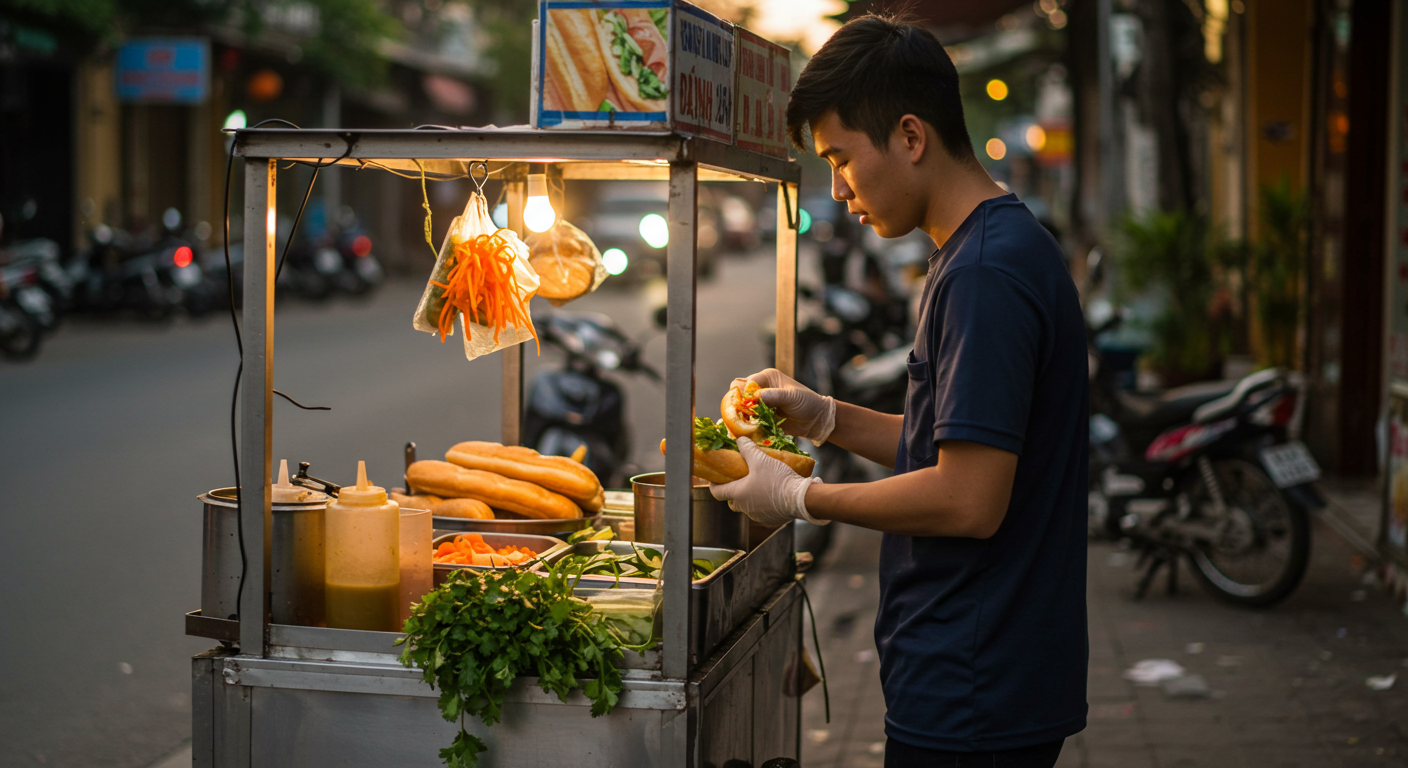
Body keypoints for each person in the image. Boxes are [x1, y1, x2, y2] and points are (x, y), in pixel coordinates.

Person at [709, 13, 1089, 768]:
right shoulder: (986, 250)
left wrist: (799, 500)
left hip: (974, 684)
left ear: (911, 137)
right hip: (984, 675)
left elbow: (968, 498)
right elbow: (951, 441)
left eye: (842, 159)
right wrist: (826, 417)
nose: (838, 190)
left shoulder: (985, 274)